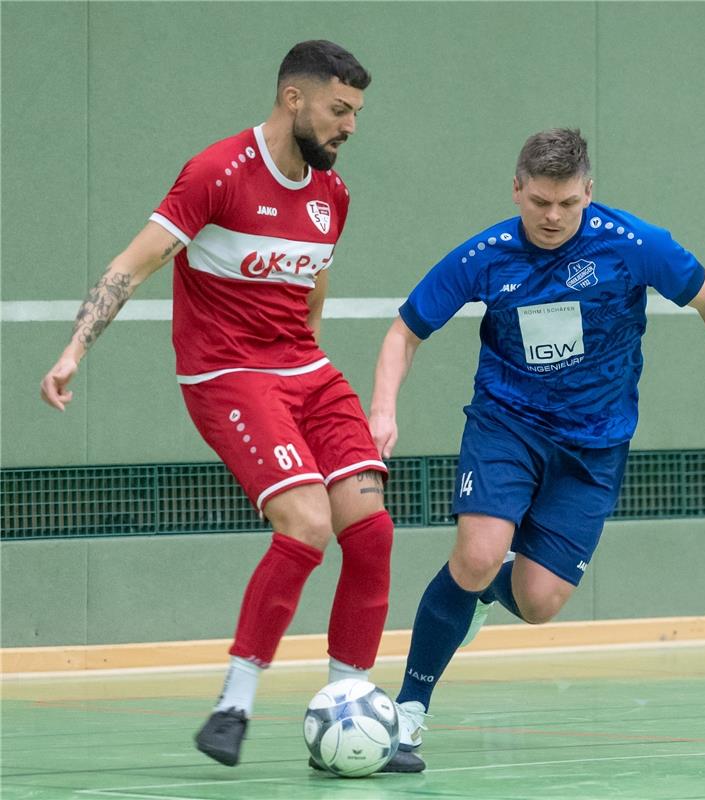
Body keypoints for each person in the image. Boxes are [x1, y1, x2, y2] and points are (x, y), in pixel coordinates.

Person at [39, 40, 423, 773]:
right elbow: (132, 264)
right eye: (339, 110)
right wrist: (73, 350)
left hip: (304, 371)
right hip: (227, 375)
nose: (349, 126)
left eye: (355, 114)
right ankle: (234, 703)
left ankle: (347, 710)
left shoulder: (331, 197)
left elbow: (311, 295)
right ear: (293, 100)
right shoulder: (217, 172)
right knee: (307, 523)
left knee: (370, 531)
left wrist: (310, 382)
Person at [368, 128, 705, 768]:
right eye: (540, 201)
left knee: (539, 602)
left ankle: (483, 594)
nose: (552, 216)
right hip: (507, 425)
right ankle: (407, 712)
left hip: (594, 447)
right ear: (517, 189)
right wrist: (383, 409)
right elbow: (407, 329)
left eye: (568, 203)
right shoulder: (486, 255)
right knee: (480, 552)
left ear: (589, 193)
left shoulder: (633, 245)